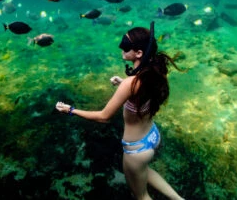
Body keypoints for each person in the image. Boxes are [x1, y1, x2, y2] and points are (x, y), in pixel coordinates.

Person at [56, 22, 184, 200]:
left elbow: (104, 117)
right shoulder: (154, 72)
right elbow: (139, 90)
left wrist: (71, 110)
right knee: (144, 171)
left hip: (136, 150)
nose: (121, 48)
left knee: (141, 196)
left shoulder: (131, 84)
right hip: (152, 136)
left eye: (125, 45)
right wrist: (123, 83)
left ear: (139, 53)